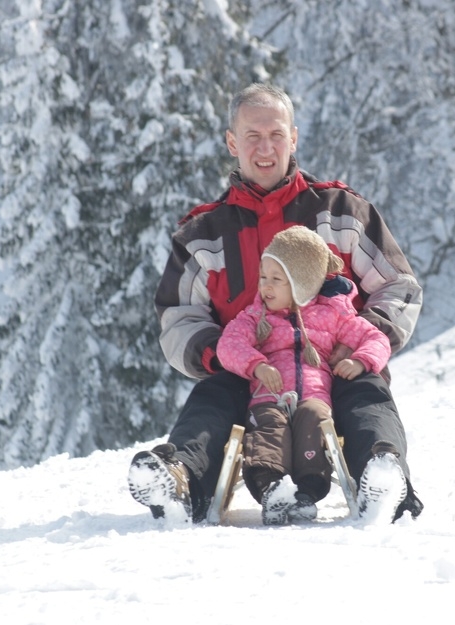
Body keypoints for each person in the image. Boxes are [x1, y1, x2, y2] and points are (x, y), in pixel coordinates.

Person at [127, 83, 423, 525]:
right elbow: (178, 317)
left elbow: (398, 286)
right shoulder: (203, 234)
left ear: (294, 138)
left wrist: (362, 344)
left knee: (367, 395)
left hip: (333, 363)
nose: (265, 148)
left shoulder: (340, 211)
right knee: (210, 401)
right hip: (247, 370)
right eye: (252, 136)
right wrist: (222, 354)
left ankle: (383, 475)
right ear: (232, 143)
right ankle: (179, 478)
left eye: (276, 134)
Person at [215, 226, 392, 525]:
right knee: (269, 427)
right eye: (263, 277)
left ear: (302, 284)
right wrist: (257, 365)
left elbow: (377, 340)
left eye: (276, 279)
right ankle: (271, 488)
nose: (266, 286)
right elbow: (228, 345)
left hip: (314, 397)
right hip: (269, 397)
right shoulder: (255, 317)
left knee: (314, 422)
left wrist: (361, 361)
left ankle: (307, 493)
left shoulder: (333, 315)